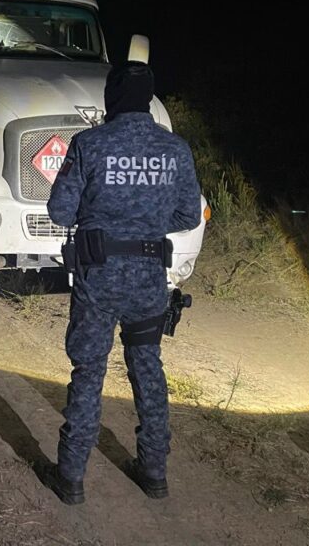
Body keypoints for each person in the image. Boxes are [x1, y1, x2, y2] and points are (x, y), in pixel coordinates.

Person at [43, 59, 202, 504]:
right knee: (147, 367)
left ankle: (71, 476)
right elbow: (188, 215)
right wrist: (146, 223)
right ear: (149, 99)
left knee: (89, 370)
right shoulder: (175, 150)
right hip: (150, 278)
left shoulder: (89, 144)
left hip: (99, 277)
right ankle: (154, 472)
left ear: (111, 98)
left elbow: (59, 212)